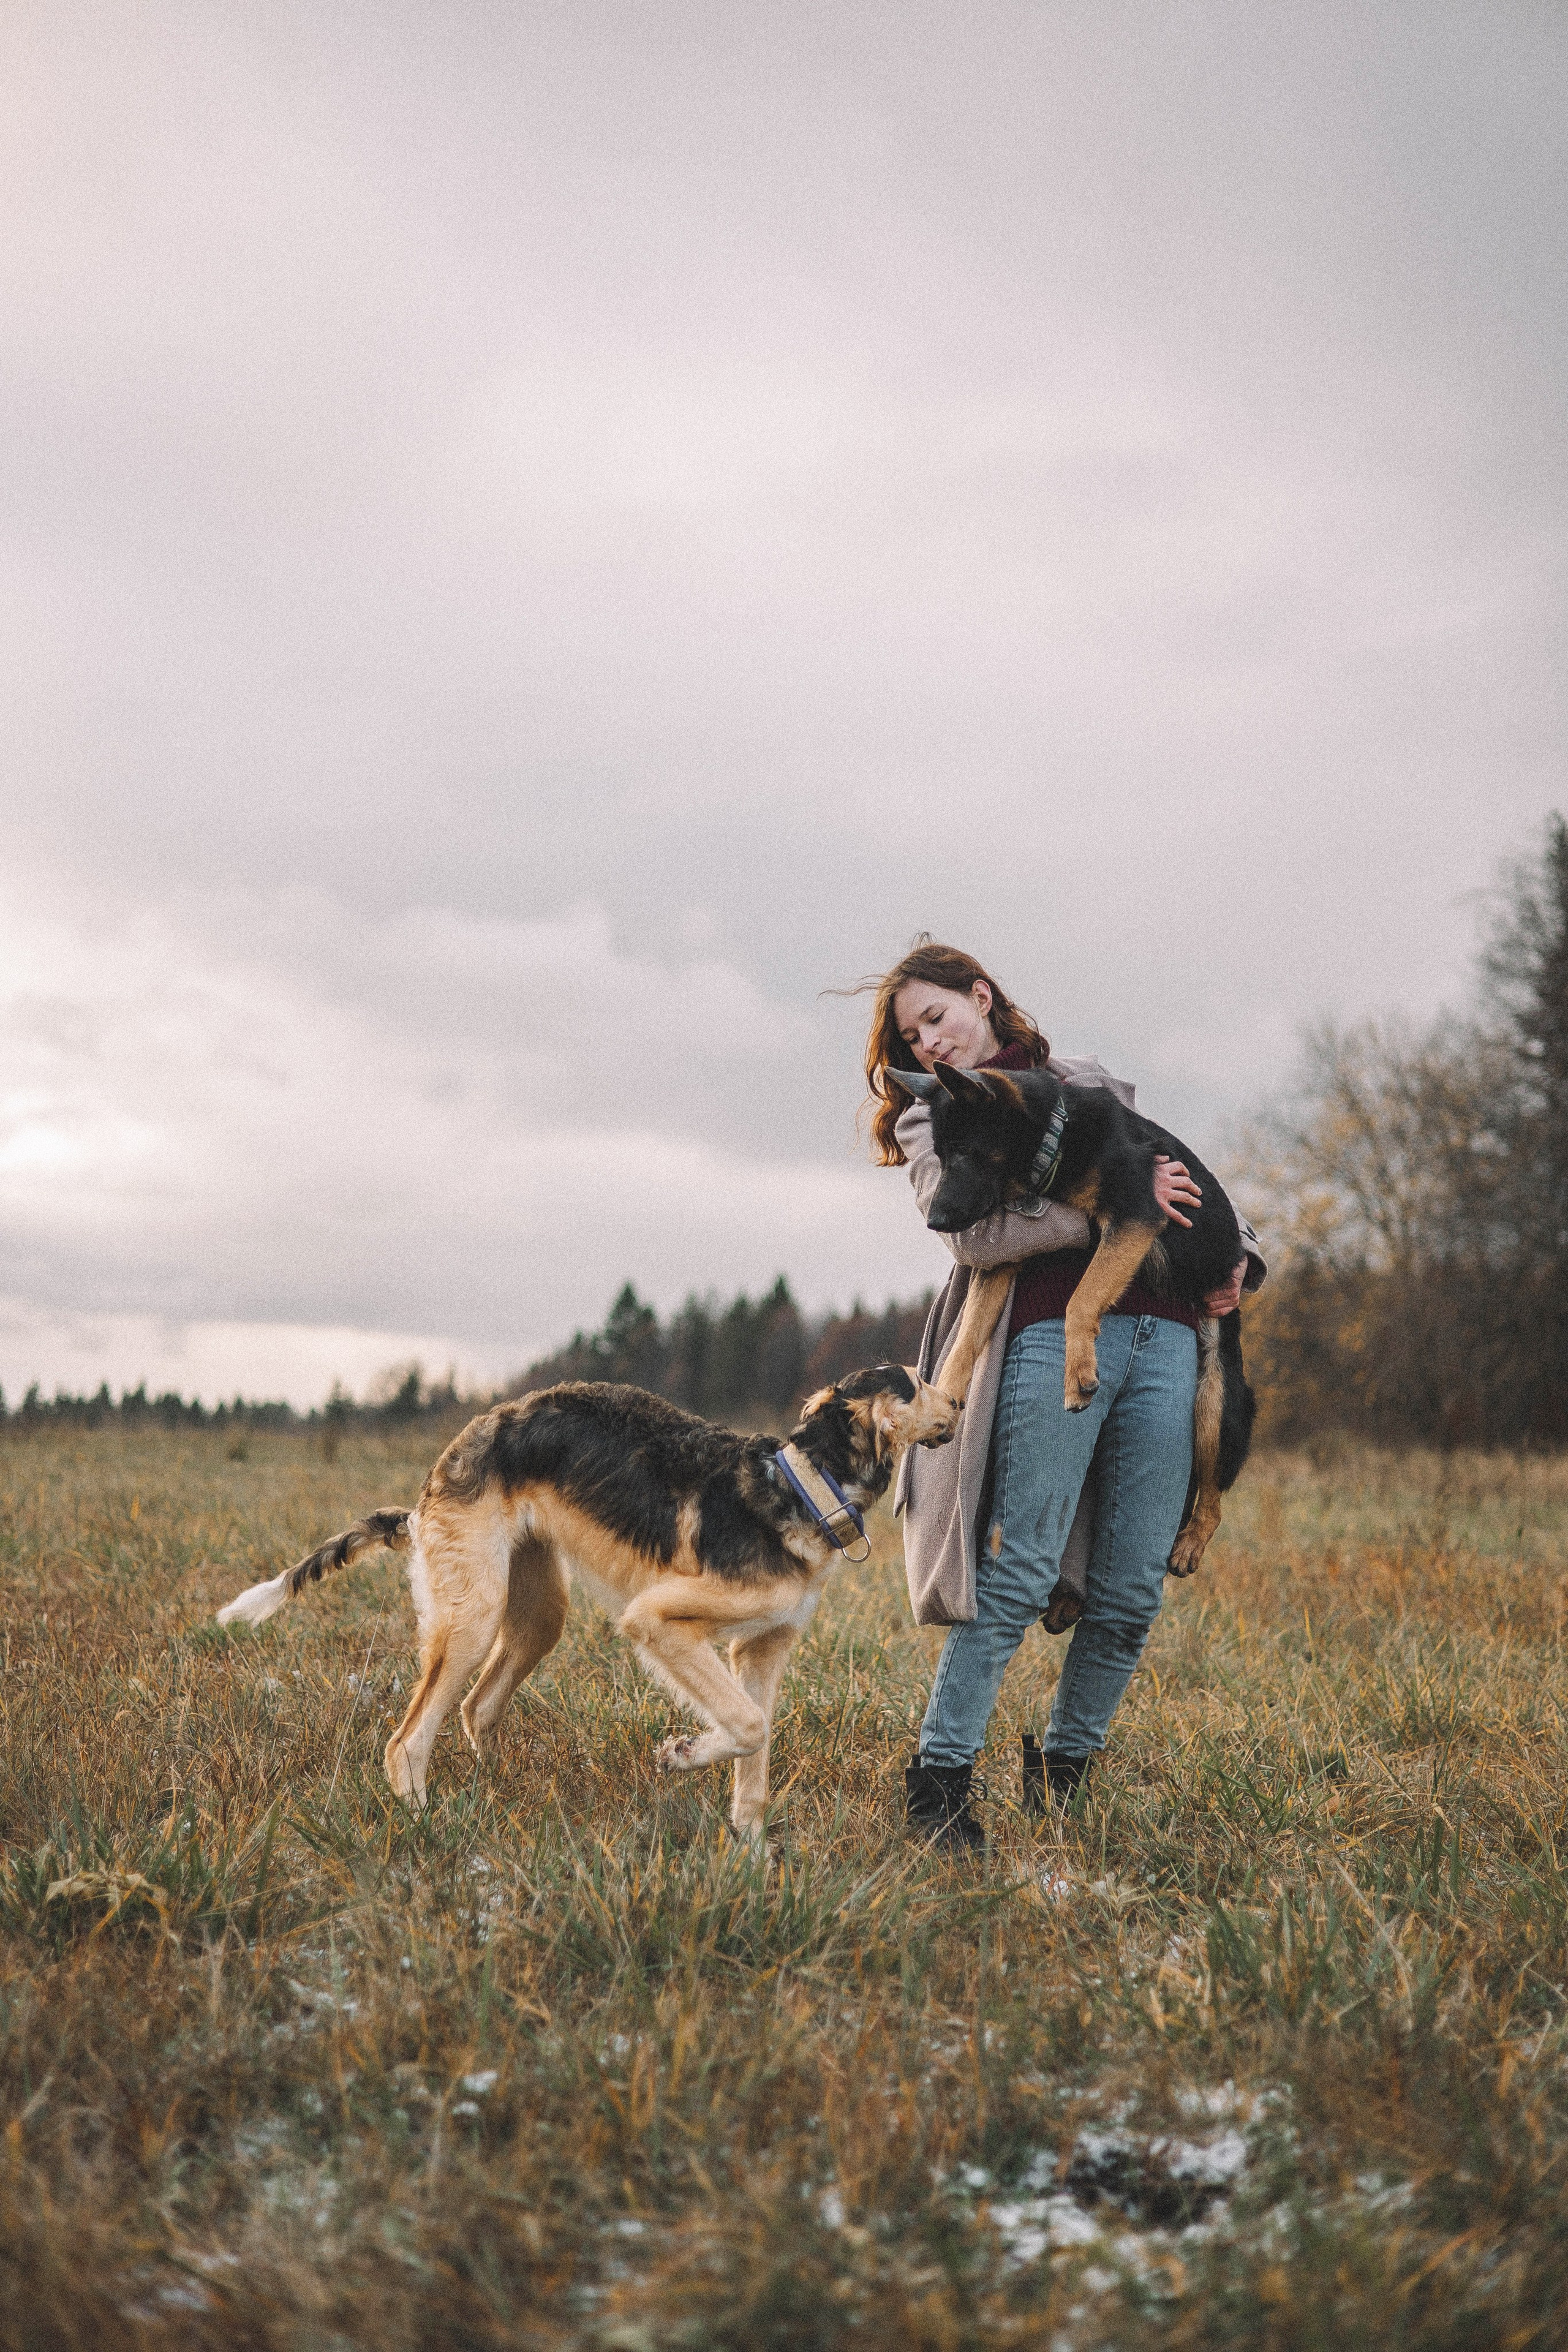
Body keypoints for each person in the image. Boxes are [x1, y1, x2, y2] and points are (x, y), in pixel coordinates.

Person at [860, 940, 1265, 1850]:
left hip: (1167, 1333)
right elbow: (973, 1237)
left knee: (1131, 1591)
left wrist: (1244, 1258)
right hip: (1047, 1336)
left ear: (981, 996)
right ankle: (939, 1781)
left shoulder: (1084, 1082)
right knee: (1020, 1566)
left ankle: (1065, 1772)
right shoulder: (934, 1119)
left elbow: (1179, 1170)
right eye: (912, 1034)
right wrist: (1111, 1205)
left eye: (937, 1017)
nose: (928, 1042)